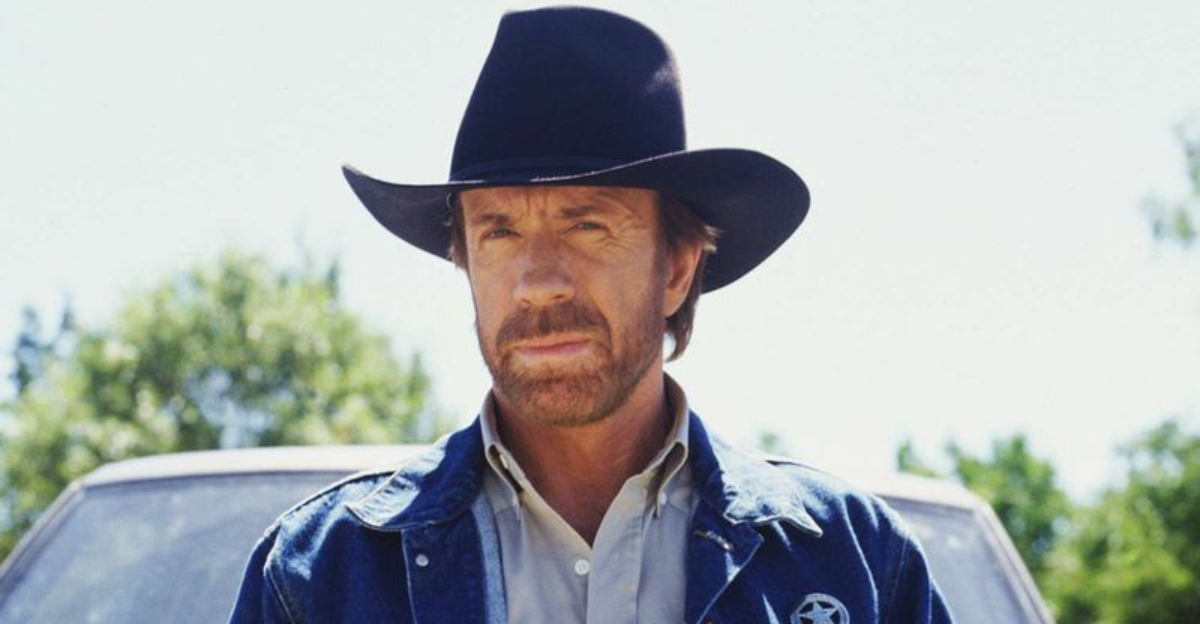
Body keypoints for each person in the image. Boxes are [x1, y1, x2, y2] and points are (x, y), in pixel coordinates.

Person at [229, 7, 954, 624]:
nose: (538, 284)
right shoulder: (320, 576)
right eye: (499, 231)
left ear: (677, 268)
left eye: (587, 225)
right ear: (465, 263)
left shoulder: (855, 564)